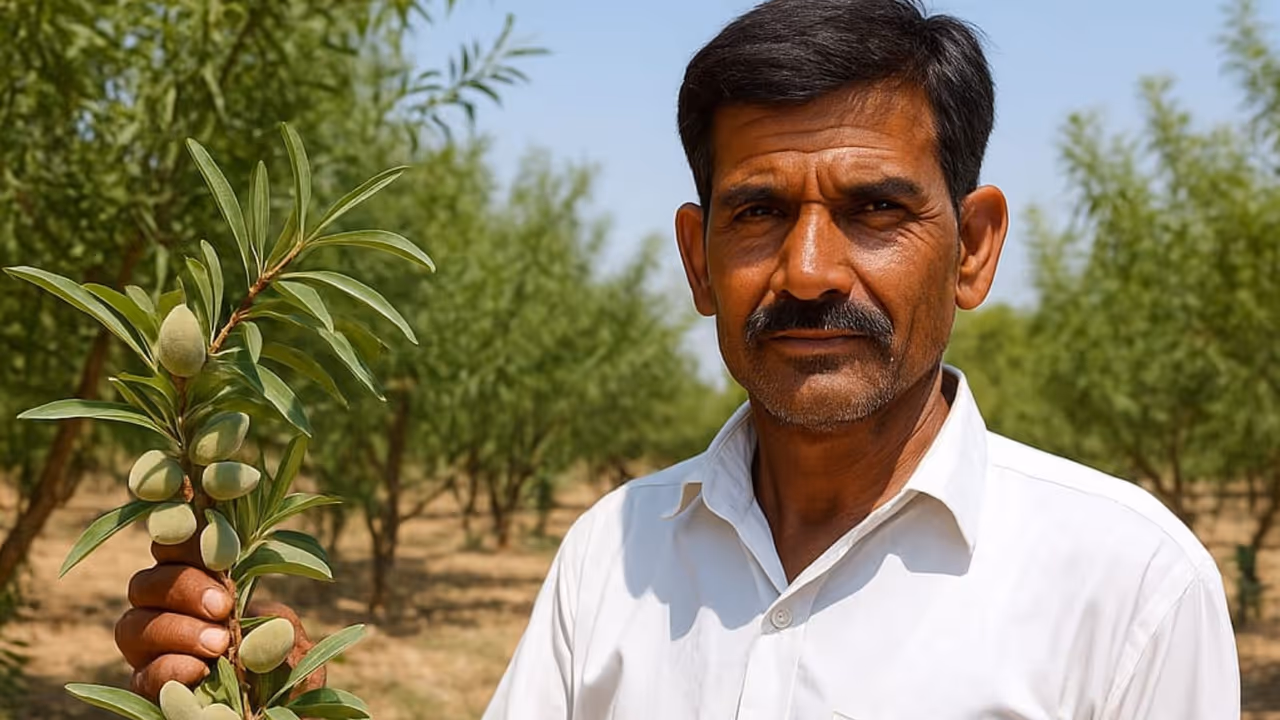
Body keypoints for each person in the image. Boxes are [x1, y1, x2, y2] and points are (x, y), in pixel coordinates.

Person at [117, 0, 1241, 717]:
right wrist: (285, 697)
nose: (806, 270)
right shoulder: (609, 554)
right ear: (698, 260)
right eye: (755, 213)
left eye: (872, 208)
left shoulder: (1126, 585)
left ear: (973, 248)